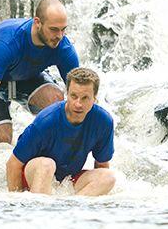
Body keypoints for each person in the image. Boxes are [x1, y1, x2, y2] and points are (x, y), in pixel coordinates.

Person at [0, 0, 80, 154]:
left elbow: (81, 90)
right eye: (54, 29)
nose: (59, 36)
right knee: (2, 143)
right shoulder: (8, 41)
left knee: (55, 99)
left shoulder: (64, 47)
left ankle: (44, 148)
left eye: (63, 29)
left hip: (25, 73)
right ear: (37, 22)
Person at [6, 67, 116, 196]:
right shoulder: (46, 121)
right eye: (74, 96)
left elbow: (102, 165)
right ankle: (39, 205)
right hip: (36, 175)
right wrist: (16, 201)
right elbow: (13, 164)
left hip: (68, 179)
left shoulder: (103, 121)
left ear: (94, 98)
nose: (78, 104)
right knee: (47, 165)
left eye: (85, 98)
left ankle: (72, 207)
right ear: (66, 94)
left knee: (108, 177)